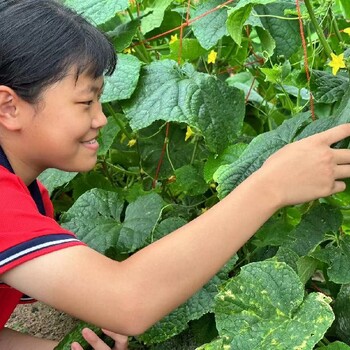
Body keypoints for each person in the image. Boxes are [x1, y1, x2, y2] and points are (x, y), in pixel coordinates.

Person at [1, 0, 350, 349]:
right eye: (85, 102)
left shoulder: (27, 193)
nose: (101, 119)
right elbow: (127, 301)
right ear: (9, 107)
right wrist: (271, 185)